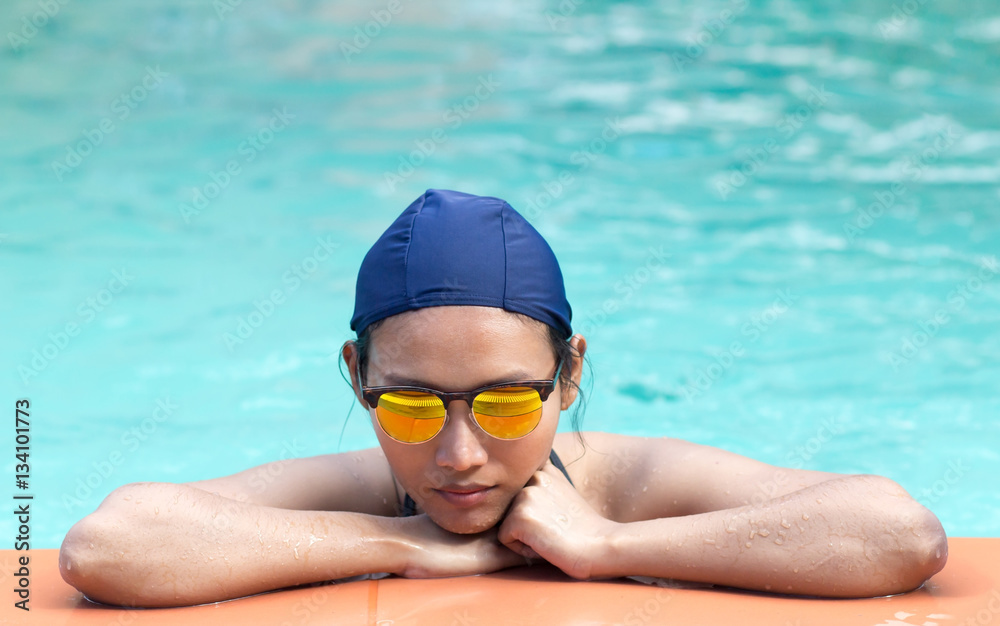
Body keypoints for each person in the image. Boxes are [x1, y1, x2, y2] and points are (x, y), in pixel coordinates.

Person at [59, 189, 948, 608]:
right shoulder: (355, 492)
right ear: (355, 378)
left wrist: (606, 544)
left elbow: (897, 534)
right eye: (409, 407)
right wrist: (409, 544)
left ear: (568, 376)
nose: (458, 456)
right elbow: (107, 547)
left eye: (507, 404)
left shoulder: (634, 483)